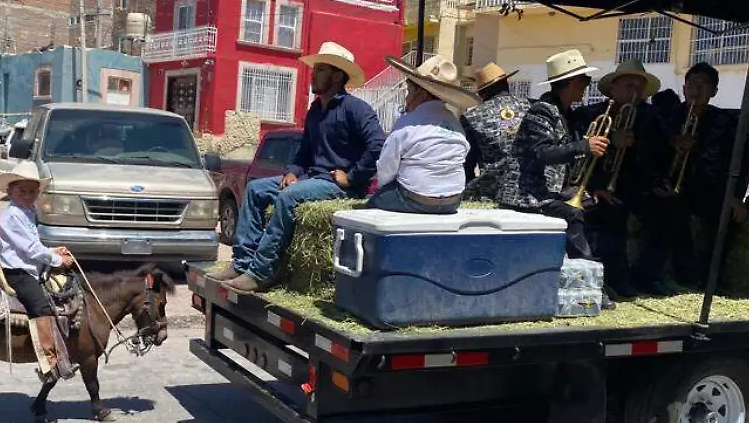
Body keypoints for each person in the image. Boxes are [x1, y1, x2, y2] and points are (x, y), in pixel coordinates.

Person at [208, 42, 385, 292]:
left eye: (319, 69)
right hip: (312, 179)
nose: (312, 74)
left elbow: (378, 144)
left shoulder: (355, 109)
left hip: (337, 186)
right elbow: (304, 151)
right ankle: (242, 262)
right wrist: (293, 171)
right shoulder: (315, 110)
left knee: (288, 197)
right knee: (256, 190)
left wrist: (352, 177)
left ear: (336, 75)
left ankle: (261, 273)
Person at [498, 49, 614, 309]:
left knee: (601, 211)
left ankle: (600, 276)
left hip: (551, 190)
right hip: (528, 194)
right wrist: (584, 146)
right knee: (572, 215)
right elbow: (543, 153)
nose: (586, 87)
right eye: (584, 81)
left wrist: (593, 187)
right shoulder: (541, 113)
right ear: (570, 83)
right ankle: (591, 286)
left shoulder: (567, 113)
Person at [578, 57, 679, 298]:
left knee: (671, 209)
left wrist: (658, 182)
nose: (634, 92)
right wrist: (612, 139)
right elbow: (578, 156)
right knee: (611, 215)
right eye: (628, 86)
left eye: (638, 87)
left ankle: (649, 276)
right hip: (601, 187)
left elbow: (658, 157)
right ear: (613, 89)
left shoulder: (652, 118)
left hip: (637, 186)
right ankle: (616, 279)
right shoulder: (590, 115)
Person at [656, 62, 749, 289]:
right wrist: (672, 142)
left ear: (714, 91)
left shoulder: (726, 121)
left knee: (729, 216)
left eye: (703, 85)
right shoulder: (667, 117)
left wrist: (735, 197)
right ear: (683, 88)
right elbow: (653, 151)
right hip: (673, 186)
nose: (696, 90)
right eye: (692, 84)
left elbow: (739, 161)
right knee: (674, 210)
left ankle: (712, 276)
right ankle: (686, 274)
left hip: (711, 189)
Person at [0, 161, 78, 380]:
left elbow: (34, 244)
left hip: (31, 266)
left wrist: (53, 251)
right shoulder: (11, 216)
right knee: (41, 306)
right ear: (10, 190)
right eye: (22, 191)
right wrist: (58, 260)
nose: (28, 194)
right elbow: (29, 249)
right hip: (18, 271)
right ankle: (49, 362)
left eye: (32, 191)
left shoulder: (29, 211)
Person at [367, 54, 475, 214]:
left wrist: (383, 190)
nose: (406, 97)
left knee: (372, 203)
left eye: (409, 91)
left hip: (414, 198)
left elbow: (386, 168)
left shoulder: (408, 122)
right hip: (453, 201)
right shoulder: (454, 122)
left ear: (422, 94)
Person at [459, 62, 531, 202]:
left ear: (482, 92)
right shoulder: (530, 107)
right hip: (529, 191)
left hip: (491, 193)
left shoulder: (472, 117)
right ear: (506, 84)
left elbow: (467, 165)